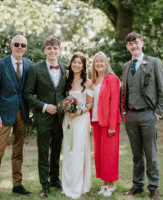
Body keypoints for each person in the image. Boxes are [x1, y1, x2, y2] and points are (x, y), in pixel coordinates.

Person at [0, 35, 33, 200]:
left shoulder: (29, 65)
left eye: (23, 45)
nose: (20, 47)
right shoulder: (0, 64)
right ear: (11, 46)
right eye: (17, 44)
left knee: (18, 152)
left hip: (22, 114)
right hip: (3, 115)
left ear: (26, 48)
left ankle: (17, 184)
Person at [121, 32, 163, 200]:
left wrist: (158, 113)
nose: (134, 46)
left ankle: (154, 187)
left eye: (136, 43)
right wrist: (124, 112)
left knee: (151, 153)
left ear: (142, 43)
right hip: (131, 116)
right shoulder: (126, 66)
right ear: (127, 47)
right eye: (130, 44)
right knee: (136, 154)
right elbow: (125, 91)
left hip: (149, 114)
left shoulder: (154, 62)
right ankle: (137, 185)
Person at [23, 36, 66, 198]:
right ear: (45, 51)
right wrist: (44, 107)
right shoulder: (36, 69)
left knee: (56, 151)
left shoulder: (64, 68)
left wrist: (65, 105)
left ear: (59, 50)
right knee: (43, 152)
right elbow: (27, 94)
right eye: (49, 48)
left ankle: (55, 179)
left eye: (55, 48)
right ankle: (45, 185)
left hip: (60, 118)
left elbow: (65, 92)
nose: (53, 51)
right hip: (43, 118)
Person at [61, 52, 93, 199]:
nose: (76, 65)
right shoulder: (66, 80)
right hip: (68, 119)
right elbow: (64, 99)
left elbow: (90, 103)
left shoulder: (87, 82)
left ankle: (78, 186)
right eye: (74, 62)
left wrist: (78, 112)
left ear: (83, 66)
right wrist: (65, 107)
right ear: (71, 63)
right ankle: (67, 184)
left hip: (81, 119)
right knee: (67, 151)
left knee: (78, 152)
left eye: (80, 63)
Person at [91, 51, 121, 197]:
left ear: (106, 63)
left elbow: (115, 103)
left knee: (109, 154)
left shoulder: (112, 79)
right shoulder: (93, 81)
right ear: (94, 64)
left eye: (102, 61)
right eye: (97, 61)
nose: (99, 64)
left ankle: (111, 184)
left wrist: (111, 126)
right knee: (99, 154)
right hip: (96, 121)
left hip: (109, 122)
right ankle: (104, 183)